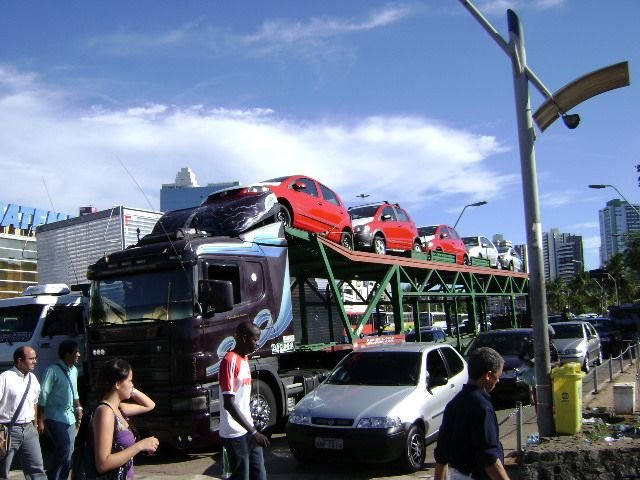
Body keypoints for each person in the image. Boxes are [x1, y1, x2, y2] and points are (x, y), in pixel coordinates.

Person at [434, 347, 510, 480]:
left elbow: (442, 452)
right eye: (498, 375)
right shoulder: (482, 407)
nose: (498, 380)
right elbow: (488, 457)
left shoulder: (454, 403)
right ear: (488, 375)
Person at [91, 359, 159, 479]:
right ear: (117, 384)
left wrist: (131, 390)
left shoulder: (119, 408)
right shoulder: (105, 412)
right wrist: (141, 446)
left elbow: (150, 405)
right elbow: (102, 463)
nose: (132, 385)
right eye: (130, 381)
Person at [219, 321, 270, 480]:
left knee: (259, 474)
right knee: (242, 476)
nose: (258, 343)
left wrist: (252, 429)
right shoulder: (230, 361)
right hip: (235, 433)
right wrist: (254, 432)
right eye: (255, 339)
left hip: (248, 429)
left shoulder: (245, 359)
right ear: (244, 338)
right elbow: (229, 403)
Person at [37, 340, 83, 480]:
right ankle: (52, 475)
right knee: (64, 446)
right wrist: (40, 419)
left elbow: (74, 391)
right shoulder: (52, 371)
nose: (78, 355)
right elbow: (43, 396)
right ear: (67, 354)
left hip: (70, 416)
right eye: (76, 352)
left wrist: (78, 407)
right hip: (54, 416)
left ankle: (61, 477)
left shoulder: (74, 370)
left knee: (69, 451)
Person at [0, 346, 47, 480]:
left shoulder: (33, 379)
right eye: (31, 359)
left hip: (29, 429)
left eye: (35, 358)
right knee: (3, 471)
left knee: (38, 470)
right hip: (8, 430)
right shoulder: (5, 378)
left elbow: (34, 403)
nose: (35, 361)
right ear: (20, 361)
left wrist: (36, 425)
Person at [518, 327, 560, 406]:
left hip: (550, 377)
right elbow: (521, 356)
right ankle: (540, 416)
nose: (550, 339)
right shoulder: (529, 345)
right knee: (539, 402)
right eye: (549, 336)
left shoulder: (552, 346)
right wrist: (529, 362)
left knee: (553, 402)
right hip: (536, 377)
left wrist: (550, 365)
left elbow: (557, 361)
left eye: (551, 337)